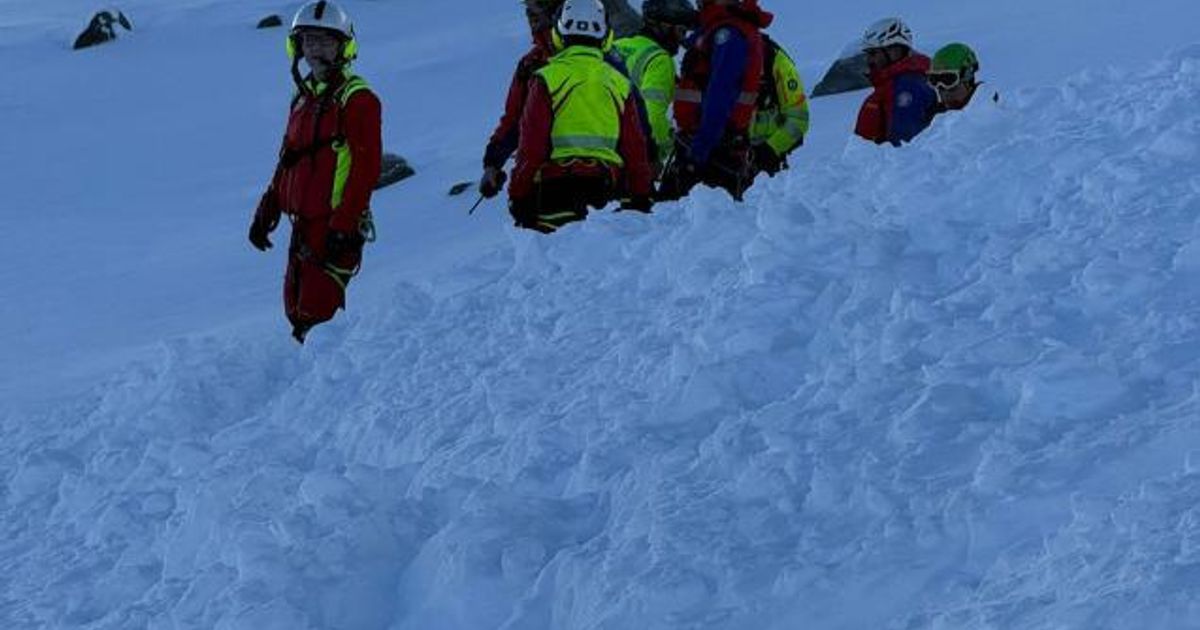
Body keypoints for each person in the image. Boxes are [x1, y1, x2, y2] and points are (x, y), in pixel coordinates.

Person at [248, 0, 382, 344]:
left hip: (333, 225)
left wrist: (344, 224)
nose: (315, 50)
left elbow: (365, 169)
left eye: (324, 41)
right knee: (295, 309)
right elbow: (288, 157)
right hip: (301, 226)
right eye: (308, 41)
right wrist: (269, 207)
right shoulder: (303, 98)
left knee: (318, 316)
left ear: (343, 46)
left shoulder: (357, 99)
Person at [507, 0, 655, 233]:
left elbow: (530, 147)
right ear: (605, 36)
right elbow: (635, 148)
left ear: (559, 33)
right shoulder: (620, 83)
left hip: (555, 194)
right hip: (607, 193)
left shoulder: (546, 78)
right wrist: (641, 195)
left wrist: (519, 194)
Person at [659, 0, 774, 202]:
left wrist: (697, 153)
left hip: (711, 151)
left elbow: (720, 94)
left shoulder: (728, 34)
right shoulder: (723, 29)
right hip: (708, 144)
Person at [478, 0, 564, 200]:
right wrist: (492, 164)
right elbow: (514, 121)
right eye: (528, 10)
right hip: (545, 177)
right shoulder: (530, 64)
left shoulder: (594, 59)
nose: (530, 17)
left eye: (535, 10)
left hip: (596, 174)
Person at [613, 0, 699, 174]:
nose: (682, 41)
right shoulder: (659, 60)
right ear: (665, 26)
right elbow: (653, 119)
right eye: (681, 32)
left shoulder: (616, 47)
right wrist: (664, 149)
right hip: (628, 158)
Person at [853, 17, 938, 147]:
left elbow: (903, 147)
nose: (869, 60)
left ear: (893, 51)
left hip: (886, 166)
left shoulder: (908, 87)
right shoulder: (890, 84)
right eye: (868, 54)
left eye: (873, 53)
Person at [748, 33, 809, 178]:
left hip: (765, 164)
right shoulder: (717, 54)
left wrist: (770, 149)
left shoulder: (776, 61)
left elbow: (799, 120)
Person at [929, 42, 981, 111]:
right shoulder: (937, 117)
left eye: (948, 79)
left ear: (968, 77)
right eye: (934, 80)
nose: (944, 93)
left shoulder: (990, 117)